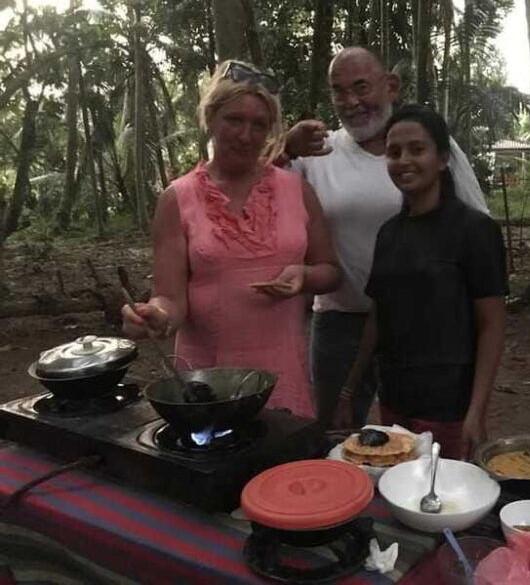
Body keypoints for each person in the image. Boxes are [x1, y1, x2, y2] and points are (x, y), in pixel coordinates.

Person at [121, 60, 340, 418]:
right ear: (210, 118)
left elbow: (330, 270)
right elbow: (170, 297)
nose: (246, 135)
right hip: (206, 381)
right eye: (234, 120)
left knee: (282, 468)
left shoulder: (297, 189)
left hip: (283, 374)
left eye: (259, 124)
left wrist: (304, 277)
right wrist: (156, 315)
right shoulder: (178, 198)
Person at [285, 46, 489, 429]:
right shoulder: (314, 152)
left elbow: (474, 227)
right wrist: (283, 146)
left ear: (391, 86)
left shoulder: (431, 148)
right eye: (339, 91)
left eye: (361, 87)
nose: (351, 102)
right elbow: (255, 185)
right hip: (340, 321)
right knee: (334, 432)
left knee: (421, 435)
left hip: (424, 323)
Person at [333, 104, 507, 459]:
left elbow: (492, 326)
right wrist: (349, 392)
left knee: (443, 502)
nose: (403, 160)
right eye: (394, 152)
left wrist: (477, 411)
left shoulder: (474, 230)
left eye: (417, 149)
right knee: (397, 488)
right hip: (395, 399)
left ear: (442, 159)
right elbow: (378, 317)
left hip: (449, 404)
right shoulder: (389, 234)